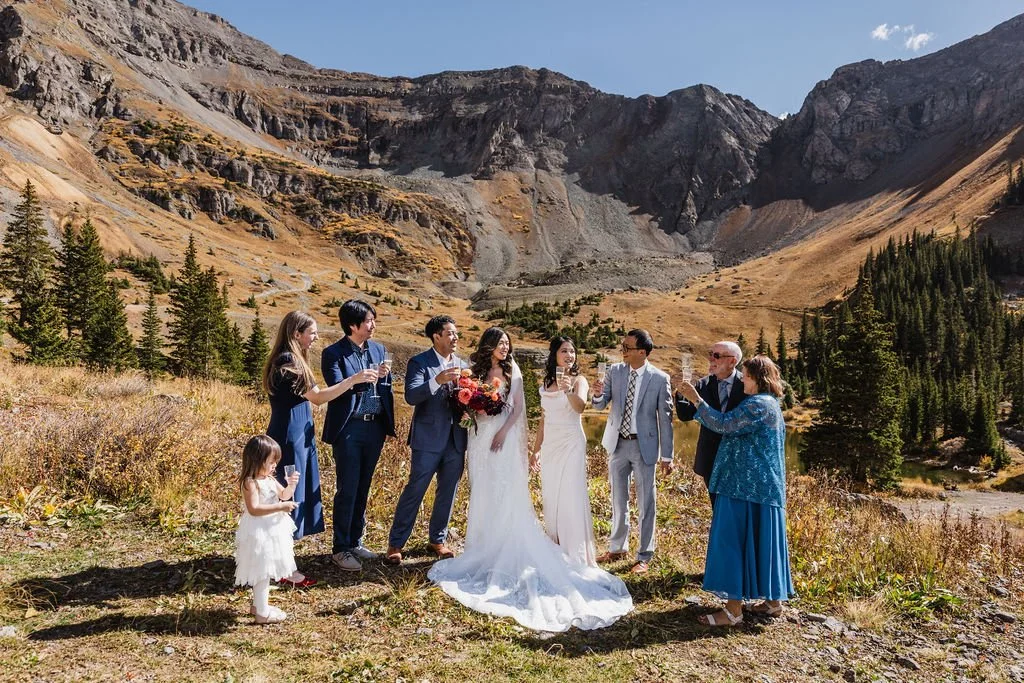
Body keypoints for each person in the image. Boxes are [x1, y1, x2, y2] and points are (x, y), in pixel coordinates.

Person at [428, 327, 632, 632]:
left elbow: (519, 408)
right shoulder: (476, 370)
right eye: (500, 343)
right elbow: (467, 400)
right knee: (482, 489)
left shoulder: (515, 372)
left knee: (508, 490)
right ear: (489, 346)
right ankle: (483, 543)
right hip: (479, 436)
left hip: (504, 436)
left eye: (507, 344)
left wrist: (502, 430)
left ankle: (518, 541)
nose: (505, 348)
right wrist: (472, 409)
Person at [678, 355, 795, 627]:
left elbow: (722, 424)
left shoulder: (756, 405)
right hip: (763, 489)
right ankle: (772, 602)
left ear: (757, 378)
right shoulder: (771, 405)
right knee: (762, 542)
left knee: (733, 543)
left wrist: (696, 399)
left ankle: (732, 612)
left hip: (743, 486)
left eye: (746, 375)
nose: (742, 380)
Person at [262, 310, 362, 586]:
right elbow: (318, 398)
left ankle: (281, 560)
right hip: (290, 438)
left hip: (294, 433)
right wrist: (353, 380)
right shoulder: (290, 362)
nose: (316, 337)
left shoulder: (288, 359)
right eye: (312, 332)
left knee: (289, 493)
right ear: (297, 334)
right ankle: (282, 568)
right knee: (288, 495)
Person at [591, 329, 675, 574]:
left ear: (642, 351)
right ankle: (618, 547)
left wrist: (667, 456)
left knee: (647, 502)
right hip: (617, 444)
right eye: (622, 347)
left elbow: (666, 420)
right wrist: (596, 394)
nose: (623, 351)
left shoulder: (660, 378)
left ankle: (644, 556)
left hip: (644, 446)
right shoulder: (614, 372)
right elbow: (599, 404)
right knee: (618, 499)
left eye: (627, 347)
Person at [321, 300, 396, 572]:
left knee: (364, 486)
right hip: (349, 428)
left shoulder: (379, 349)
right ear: (352, 325)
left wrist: (385, 377)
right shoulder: (333, 353)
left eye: (374, 320)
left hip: (374, 426)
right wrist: (358, 378)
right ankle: (340, 548)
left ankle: (355, 540)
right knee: (348, 487)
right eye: (368, 321)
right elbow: (335, 387)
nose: (373, 325)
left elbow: (385, 387)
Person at [385, 315, 467, 565]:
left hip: (456, 438)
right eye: (450, 333)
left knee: (448, 491)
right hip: (428, 439)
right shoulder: (420, 362)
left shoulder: (464, 364)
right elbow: (411, 396)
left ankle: (438, 540)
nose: (455, 338)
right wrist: (437, 380)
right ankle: (396, 544)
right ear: (436, 336)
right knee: (416, 488)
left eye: (456, 333)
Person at [530, 336, 597, 566]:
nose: (570, 355)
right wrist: (536, 451)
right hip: (550, 446)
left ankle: (574, 550)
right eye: (564, 351)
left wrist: (568, 391)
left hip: (571, 443)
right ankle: (555, 543)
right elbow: (543, 421)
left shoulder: (579, 380)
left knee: (570, 494)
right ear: (554, 355)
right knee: (552, 494)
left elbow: (580, 408)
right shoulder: (546, 383)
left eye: (572, 351)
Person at [234, 434, 300, 624]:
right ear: (257, 459)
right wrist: (281, 507)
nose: (274, 466)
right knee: (261, 569)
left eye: (275, 462)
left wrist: (291, 485)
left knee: (267, 567)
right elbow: (254, 509)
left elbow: (284, 495)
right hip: (259, 531)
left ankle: (258, 605)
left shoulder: (270, 479)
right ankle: (262, 614)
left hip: (273, 530)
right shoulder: (250, 483)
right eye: (271, 461)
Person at [674, 341, 746, 507]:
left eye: (717, 355)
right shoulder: (702, 384)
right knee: (717, 507)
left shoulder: (747, 385)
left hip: (738, 460)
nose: (710, 359)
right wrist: (682, 395)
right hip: (711, 459)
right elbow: (685, 416)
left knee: (737, 509)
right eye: (710, 354)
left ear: (732, 361)